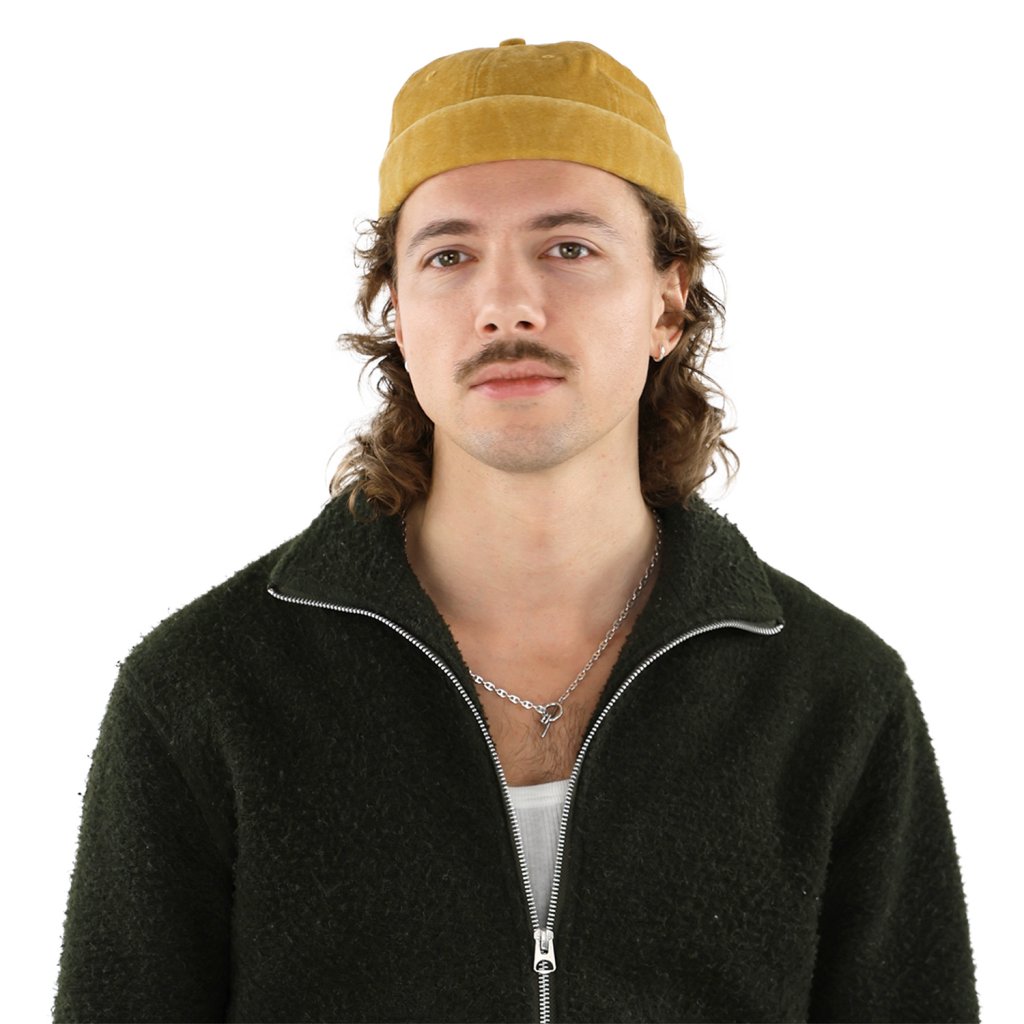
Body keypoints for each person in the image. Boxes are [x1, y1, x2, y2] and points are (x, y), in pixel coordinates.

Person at [54, 38, 978, 1023]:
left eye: (567, 247)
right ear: (397, 310)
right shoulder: (206, 690)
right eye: (449, 255)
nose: (506, 306)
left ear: (667, 302)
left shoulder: (833, 697)